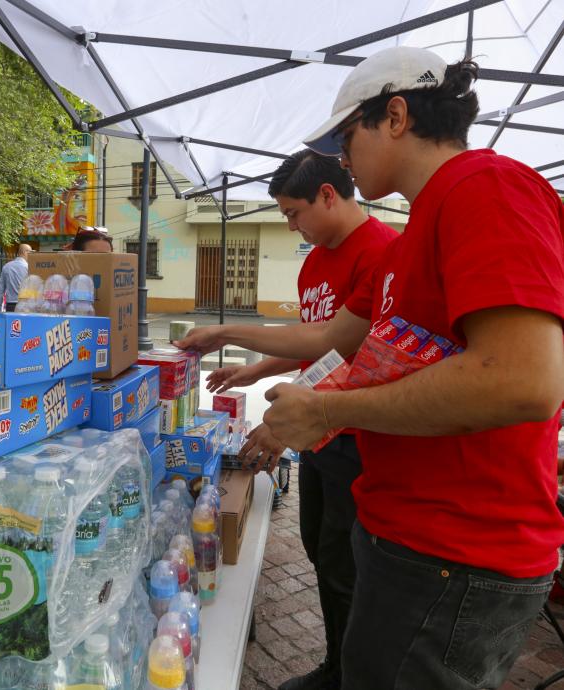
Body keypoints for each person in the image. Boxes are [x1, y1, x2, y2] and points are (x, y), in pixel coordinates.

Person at [176, 46, 564, 690]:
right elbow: (332, 337)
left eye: (345, 136)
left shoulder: (486, 187)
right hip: (403, 532)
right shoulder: (414, 237)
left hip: (456, 551)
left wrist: (324, 410)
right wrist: (225, 333)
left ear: (396, 115)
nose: (338, 157)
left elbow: (522, 378)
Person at [207, 150, 396, 690]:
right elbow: (314, 347)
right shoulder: (316, 260)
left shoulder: (382, 252)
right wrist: (254, 370)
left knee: (347, 563)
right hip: (320, 435)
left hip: (355, 434)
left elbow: (353, 354)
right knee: (319, 547)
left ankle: (350, 673)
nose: (292, 225)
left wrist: (226, 333)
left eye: (294, 213)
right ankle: (337, 663)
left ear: (328, 195)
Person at [0, 243, 32, 312]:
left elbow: (1, 290)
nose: (31, 255)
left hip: (10, 305)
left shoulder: (6, 267)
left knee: (11, 323)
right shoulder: (29, 268)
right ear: (25, 252)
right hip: (25, 305)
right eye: (30, 252)